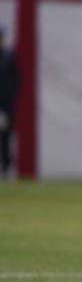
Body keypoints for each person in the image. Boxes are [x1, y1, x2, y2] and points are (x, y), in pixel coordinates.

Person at [0, 25, 19, 178]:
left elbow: (16, 81)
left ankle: (6, 168)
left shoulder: (8, 57)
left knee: (5, 136)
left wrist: (10, 102)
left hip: (5, 106)